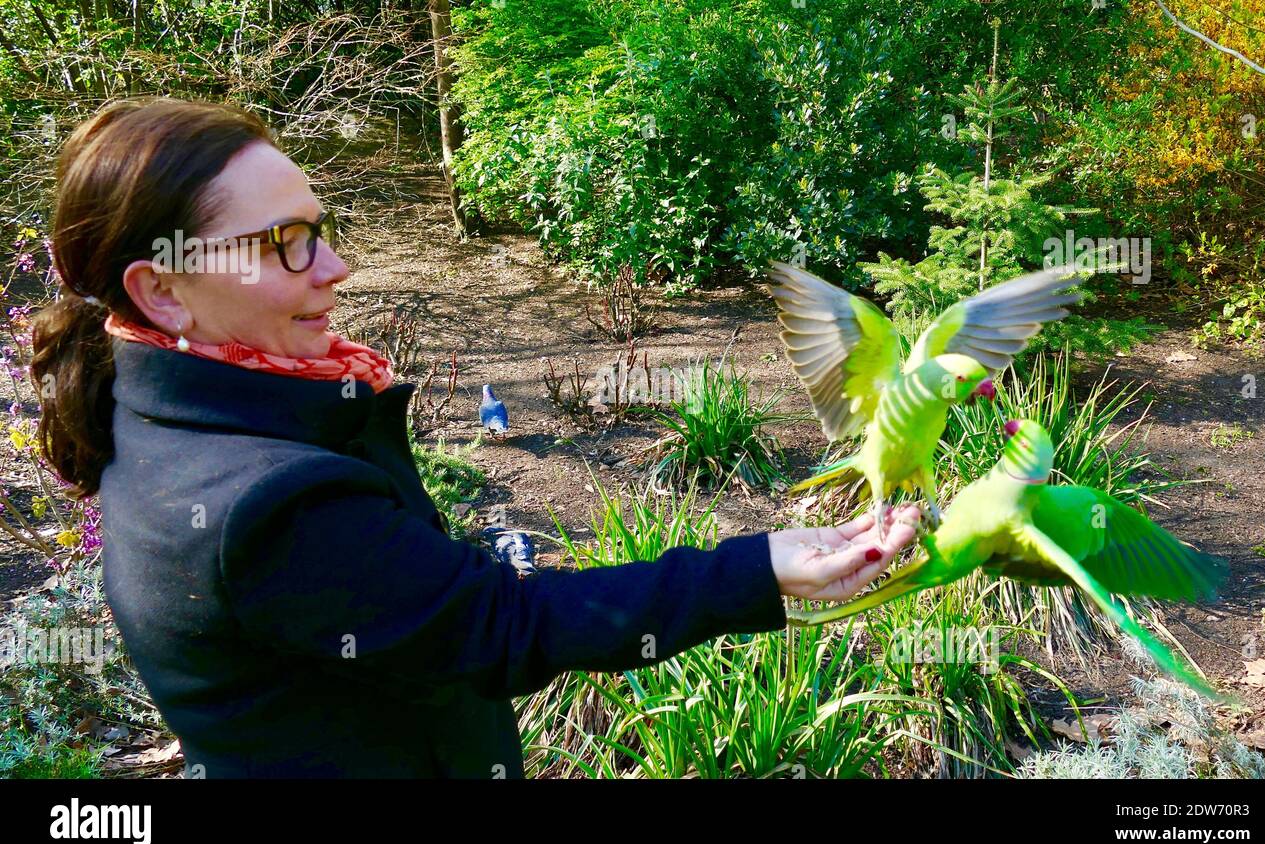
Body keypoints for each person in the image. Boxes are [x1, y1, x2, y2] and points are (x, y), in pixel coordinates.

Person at [29, 97, 919, 778]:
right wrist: (759, 567)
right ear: (163, 292)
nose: (335, 267)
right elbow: (497, 626)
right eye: (285, 243)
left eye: (322, 229)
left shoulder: (153, 404)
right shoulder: (265, 502)